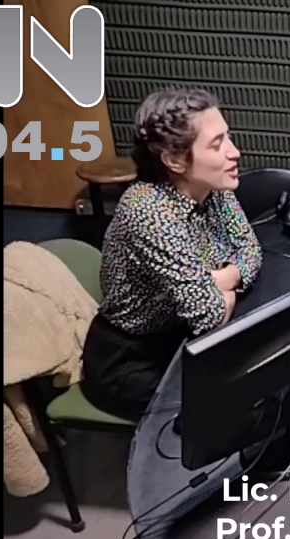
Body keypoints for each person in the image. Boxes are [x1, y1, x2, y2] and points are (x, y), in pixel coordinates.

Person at [81, 88, 262, 421]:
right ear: (174, 160)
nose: (234, 152)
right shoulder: (148, 212)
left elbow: (251, 251)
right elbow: (208, 315)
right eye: (216, 144)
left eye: (228, 137)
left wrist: (219, 280)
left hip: (180, 334)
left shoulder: (212, 186)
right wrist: (215, 289)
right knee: (230, 408)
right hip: (131, 358)